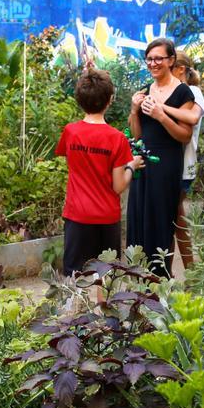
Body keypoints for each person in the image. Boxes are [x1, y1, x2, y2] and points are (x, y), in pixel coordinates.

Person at [56, 66, 146, 278]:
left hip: (76, 214)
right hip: (106, 217)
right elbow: (118, 186)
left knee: (73, 275)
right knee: (106, 276)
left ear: (79, 99)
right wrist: (131, 166)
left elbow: (74, 164)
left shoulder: (70, 132)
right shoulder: (116, 138)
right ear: (109, 100)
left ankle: (74, 311)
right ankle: (105, 310)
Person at [128, 38, 196, 277]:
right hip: (143, 162)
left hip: (167, 164)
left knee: (161, 220)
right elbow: (137, 135)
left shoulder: (182, 92)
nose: (153, 63)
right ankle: (138, 277)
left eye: (158, 58)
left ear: (171, 60)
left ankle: (160, 278)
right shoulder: (146, 90)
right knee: (138, 217)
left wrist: (161, 115)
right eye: (149, 59)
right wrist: (135, 110)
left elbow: (184, 136)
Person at [166, 54, 204, 269]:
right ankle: (181, 272)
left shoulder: (193, 93)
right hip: (171, 166)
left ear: (180, 69)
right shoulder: (173, 92)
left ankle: (184, 272)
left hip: (182, 167)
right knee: (175, 219)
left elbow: (191, 119)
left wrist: (160, 109)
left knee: (174, 220)